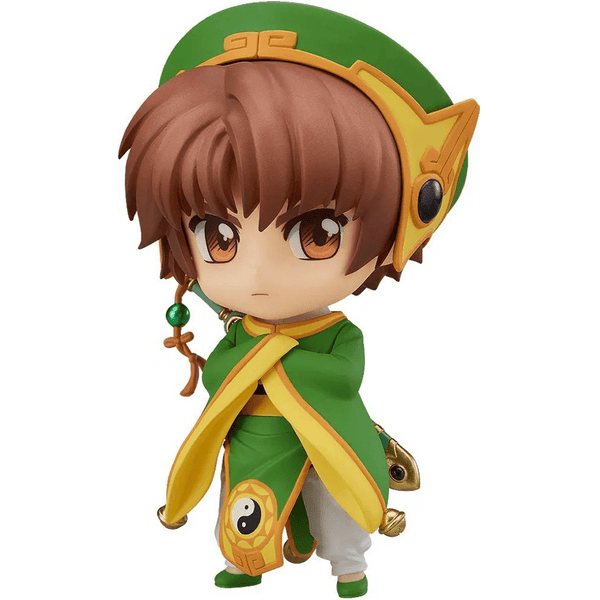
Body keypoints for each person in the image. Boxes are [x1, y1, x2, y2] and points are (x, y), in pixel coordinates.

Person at [118, 3, 479, 598]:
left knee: (337, 502)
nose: (258, 275)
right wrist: (244, 365)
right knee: (237, 500)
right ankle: (244, 564)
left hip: (327, 434)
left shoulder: (334, 335)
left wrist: (269, 362)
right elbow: (220, 376)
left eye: (317, 234)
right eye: (220, 237)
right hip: (254, 438)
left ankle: (349, 568)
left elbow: (342, 376)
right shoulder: (240, 330)